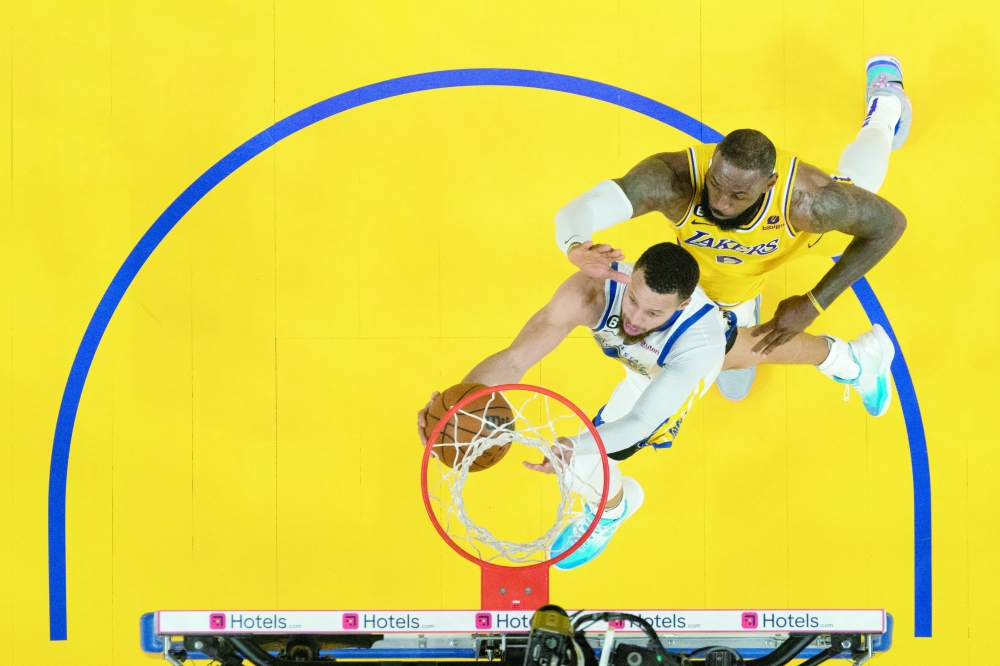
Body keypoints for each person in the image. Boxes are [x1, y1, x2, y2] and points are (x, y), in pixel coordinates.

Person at [417, 242, 890, 570]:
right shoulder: (589, 292)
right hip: (653, 356)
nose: (635, 318)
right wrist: (457, 402)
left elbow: (642, 419)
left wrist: (576, 446)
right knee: (752, 346)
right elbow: (516, 358)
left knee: (598, 454)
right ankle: (856, 359)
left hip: (668, 371)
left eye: (653, 313)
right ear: (629, 277)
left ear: (681, 307)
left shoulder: (699, 344)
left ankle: (613, 509)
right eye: (634, 301)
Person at [554, 55, 910, 414]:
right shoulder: (673, 181)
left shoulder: (812, 203)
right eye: (715, 185)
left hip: (802, 237)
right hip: (727, 272)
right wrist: (574, 244)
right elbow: (581, 209)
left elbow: (890, 225)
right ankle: (748, 307)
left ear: (769, 184)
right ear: (711, 166)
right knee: (733, 383)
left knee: (861, 183)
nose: (721, 203)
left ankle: (885, 107)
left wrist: (814, 303)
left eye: (738, 195)